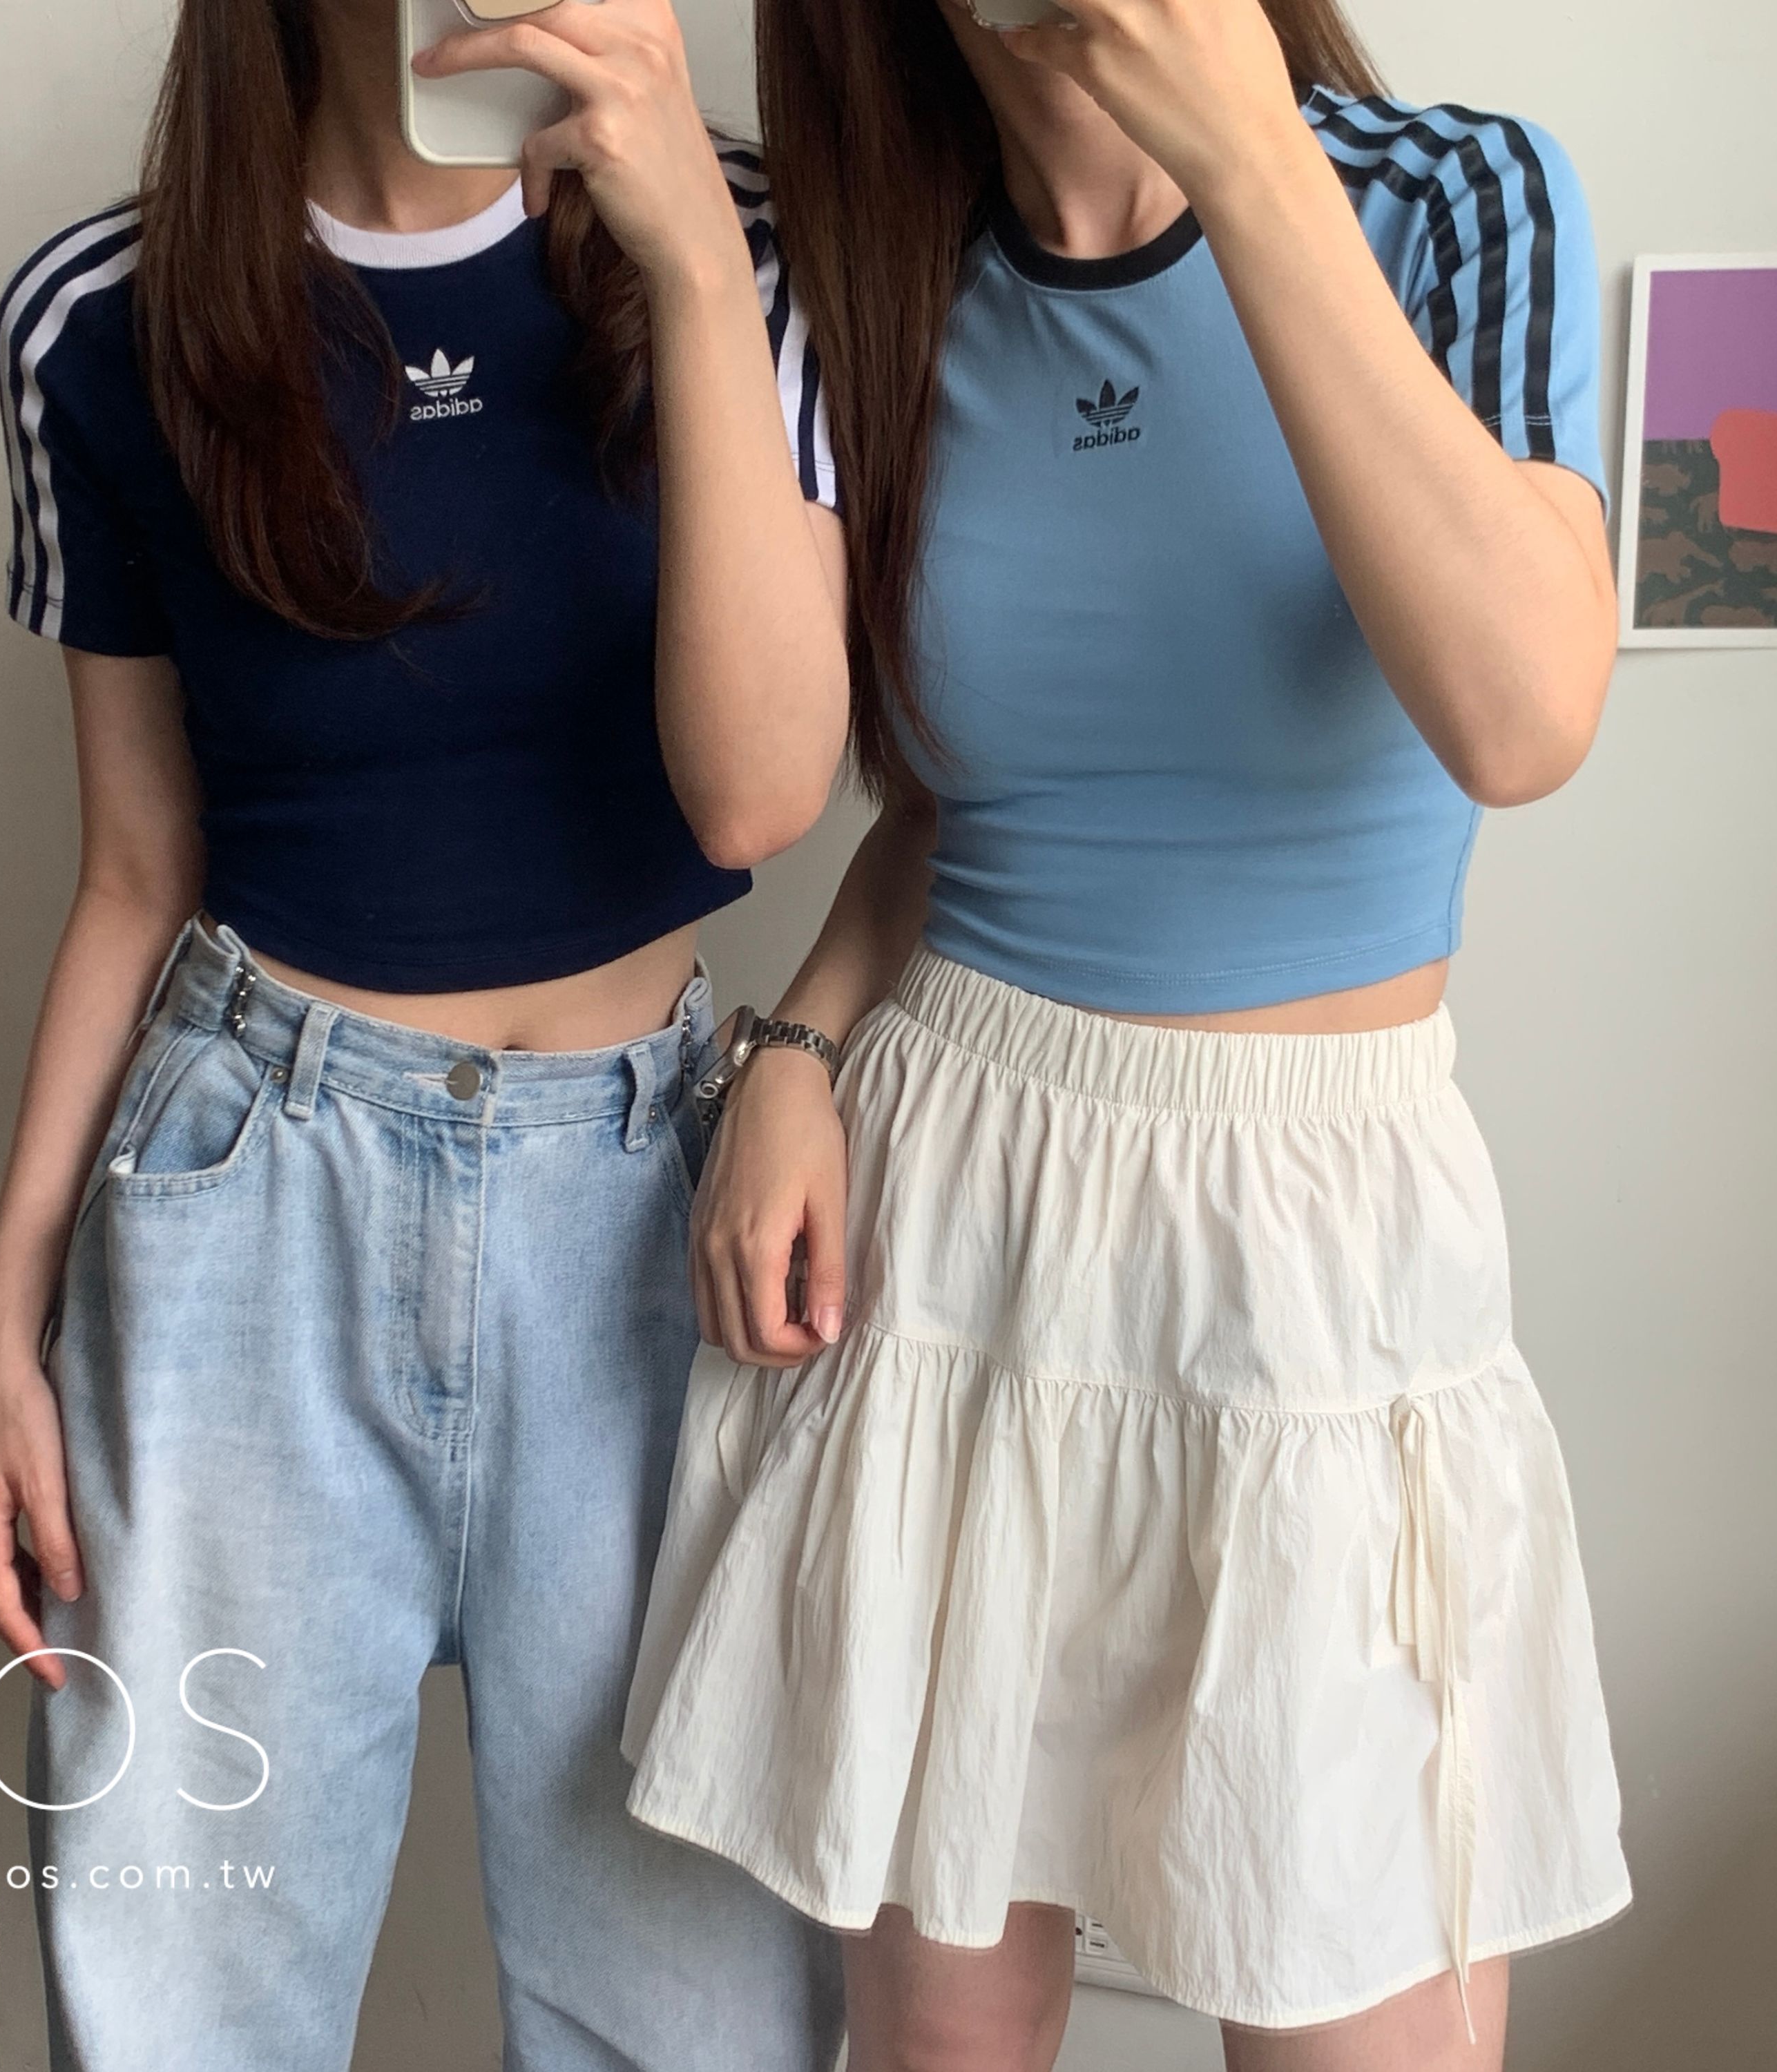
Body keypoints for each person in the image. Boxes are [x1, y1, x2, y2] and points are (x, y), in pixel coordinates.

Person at [622, 1, 1631, 2067]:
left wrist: (1248, 154)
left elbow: (1525, 712)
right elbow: (945, 804)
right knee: (940, 2044)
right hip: (960, 1227)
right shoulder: (874, 287)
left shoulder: (1456, 198)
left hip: (1326, 1256)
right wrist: (800, 1047)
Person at [0, 1, 848, 2066]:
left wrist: (686, 256)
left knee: (702, 2013)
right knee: (181, 2011)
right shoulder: (101, 315)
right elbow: (135, 868)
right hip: (248, 1203)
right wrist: (5, 1312)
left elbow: (762, 798)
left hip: (653, 1216)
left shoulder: (753, 248)